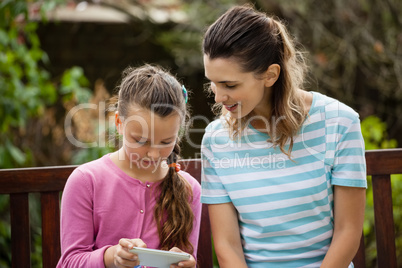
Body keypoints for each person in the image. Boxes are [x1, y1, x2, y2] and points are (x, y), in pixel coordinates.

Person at [200, 4, 366, 268]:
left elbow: (348, 231)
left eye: (230, 85)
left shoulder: (340, 122)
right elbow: (227, 245)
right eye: (213, 82)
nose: (218, 97)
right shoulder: (215, 140)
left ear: (270, 75)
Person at [57, 64, 201, 268]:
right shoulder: (86, 181)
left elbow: (186, 257)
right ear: (118, 122)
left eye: (165, 142)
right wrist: (111, 257)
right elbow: (71, 262)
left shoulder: (189, 190)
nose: (153, 154)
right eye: (141, 141)